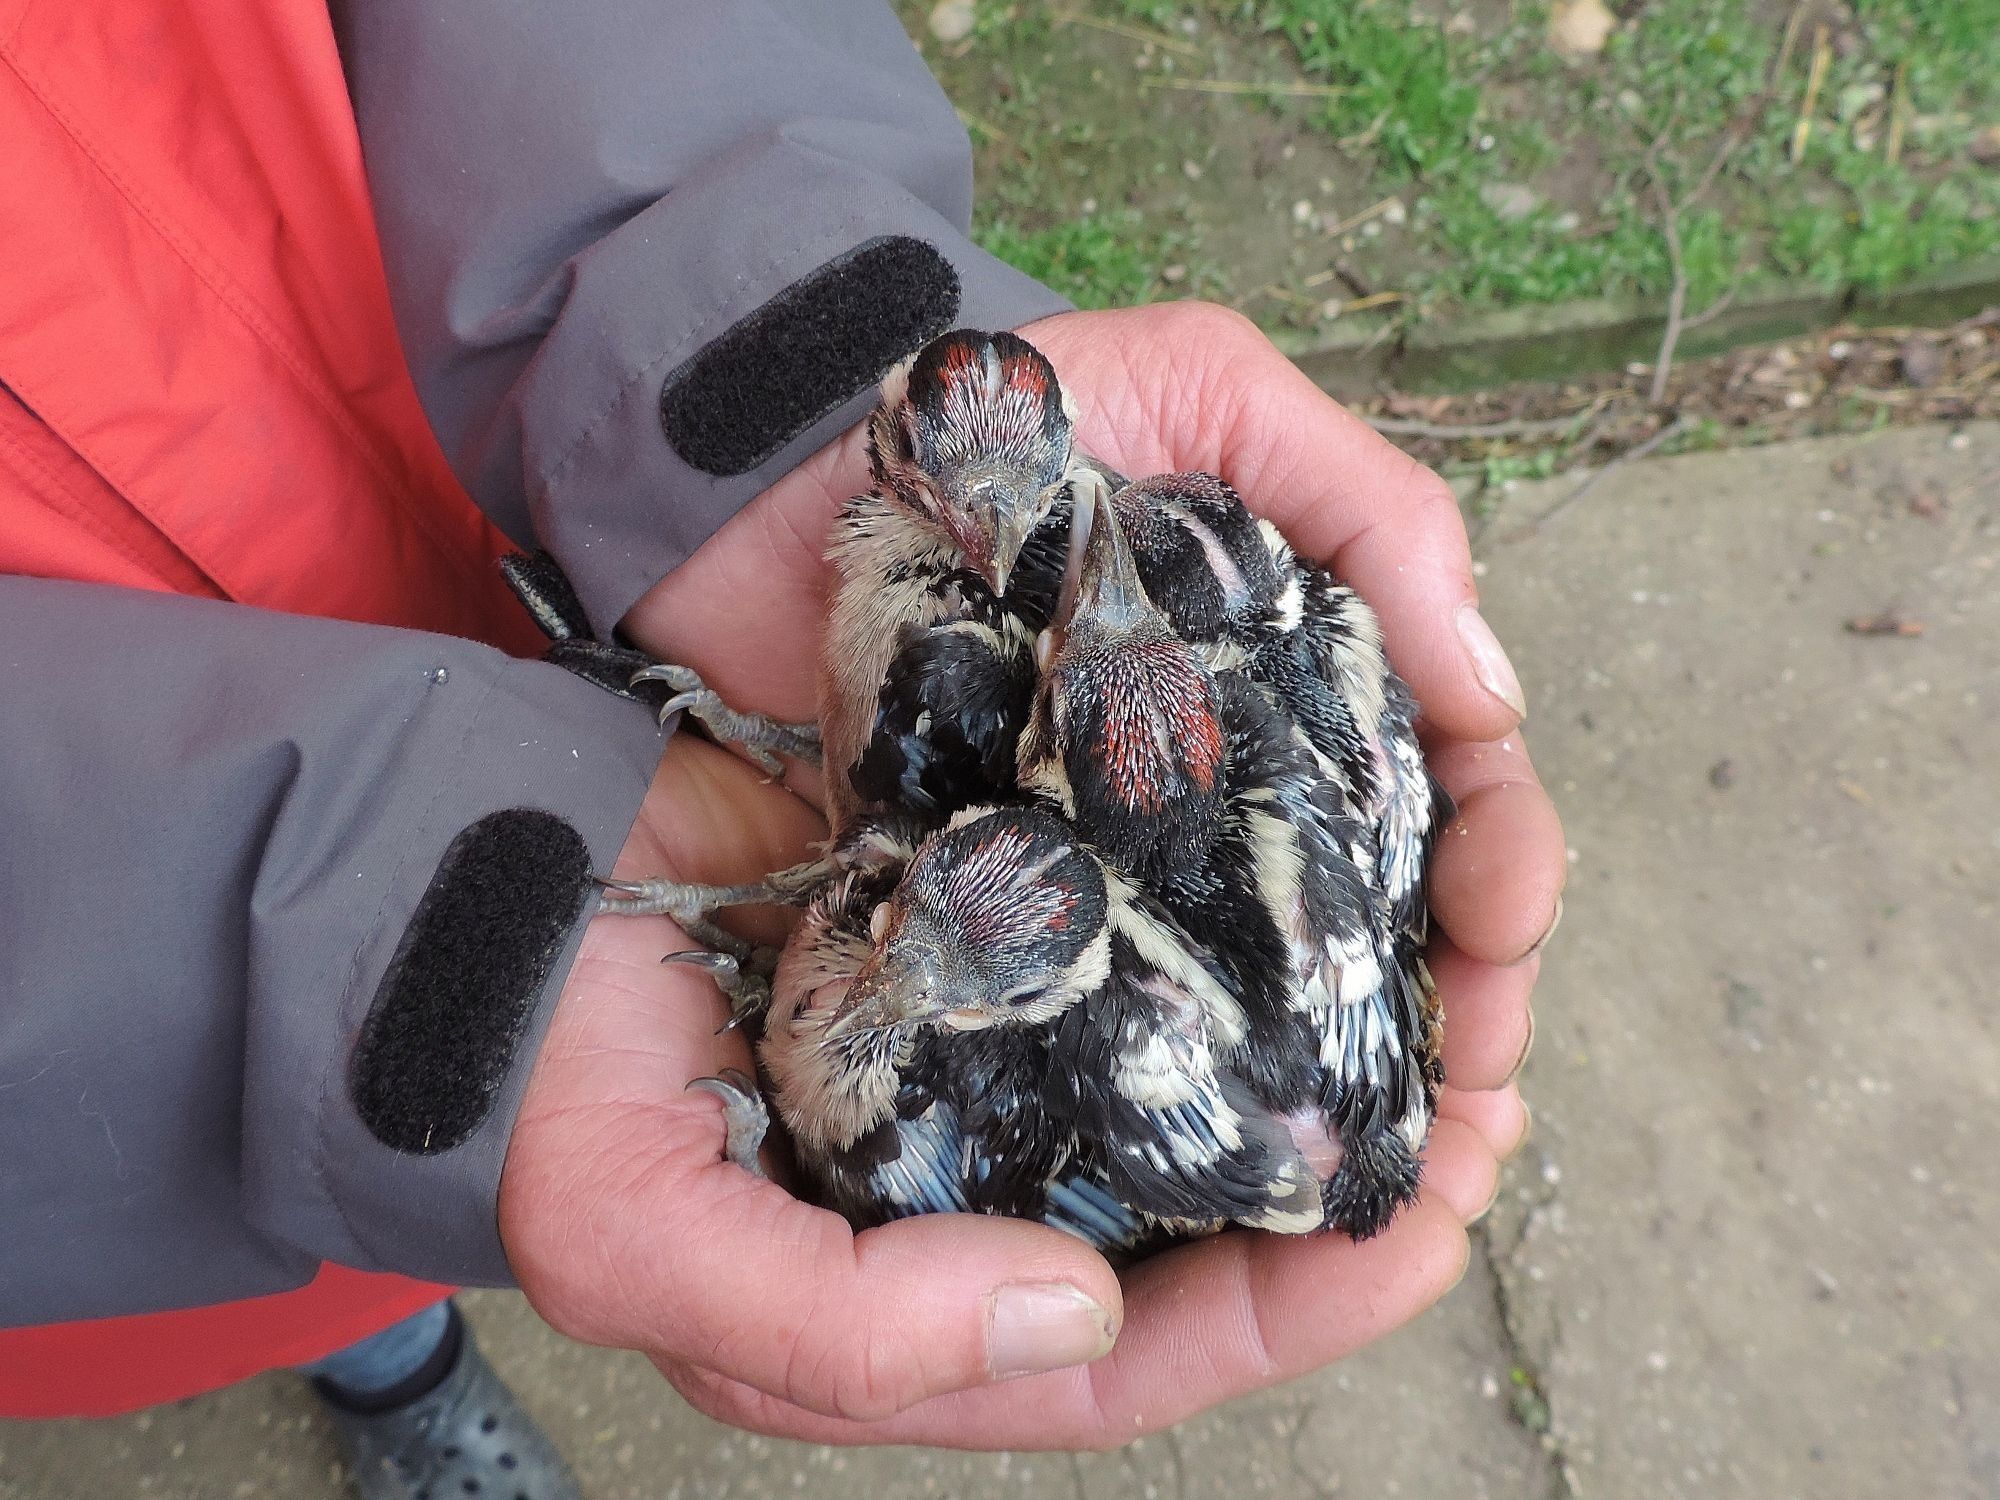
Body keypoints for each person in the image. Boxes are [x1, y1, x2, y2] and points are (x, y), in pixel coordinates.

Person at [0, 2, 1562, 1496]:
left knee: (398, 1236)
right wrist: (354, 972)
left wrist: (739, 310)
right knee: (336, 1243)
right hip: (107, 1169)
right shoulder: (979, 936)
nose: (1074, 568)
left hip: (379, 280)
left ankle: (388, 1341)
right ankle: (388, 1360)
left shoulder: (1047, 722)